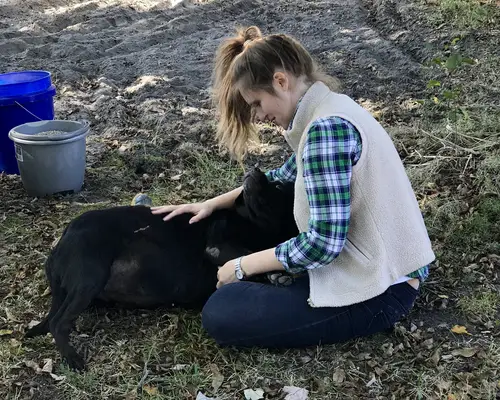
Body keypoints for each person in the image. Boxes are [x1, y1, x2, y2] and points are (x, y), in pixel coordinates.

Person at [147, 26, 436, 348]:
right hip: (385, 270)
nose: (258, 116)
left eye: (256, 103)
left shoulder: (325, 131)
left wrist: (241, 266)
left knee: (224, 311)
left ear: (280, 81)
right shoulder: (334, 109)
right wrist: (213, 203)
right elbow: (283, 175)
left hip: (380, 289)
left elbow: (324, 244)